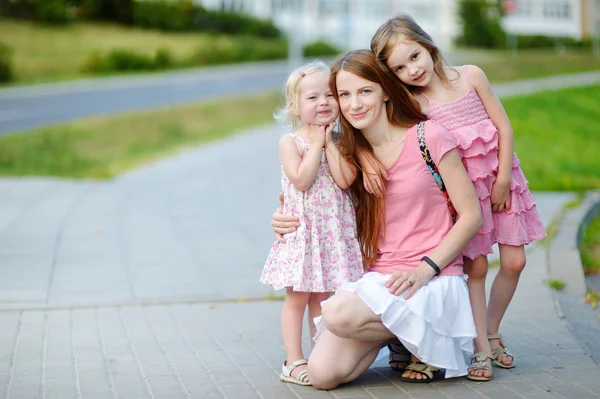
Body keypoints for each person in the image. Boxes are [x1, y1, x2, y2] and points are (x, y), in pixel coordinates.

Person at [271, 49, 482, 387]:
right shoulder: (346, 152)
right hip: (376, 282)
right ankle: (400, 337)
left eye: (365, 91)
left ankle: (420, 335)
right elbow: (316, 198)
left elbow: (472, 216)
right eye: (345, 94)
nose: (355, 104)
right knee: (323, 376)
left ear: (385, 89)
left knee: (337, 312)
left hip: (429, 276)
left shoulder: (429, 137)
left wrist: (425, 268)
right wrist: (282, 217)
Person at [362, 14, 547, 381]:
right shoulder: (415, 106)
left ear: (427, 45)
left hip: (501, 181)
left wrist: (504, 178)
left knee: (514, 262)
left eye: (414, 57)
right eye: (399, 67)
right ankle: (481, 347)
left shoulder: (471, 75)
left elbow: (503, 126)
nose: (411, 70)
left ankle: (492, 329)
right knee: (476, 269)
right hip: (463, 196)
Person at [260, 60, 364, 387]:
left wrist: (330, 143)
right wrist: (317, 144)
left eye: (329, 96)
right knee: (297, 299)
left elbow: (346, 180)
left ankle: (321, 354)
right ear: (295, 106)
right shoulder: (290, 142)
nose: (322, 103)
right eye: (312, 98)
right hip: (303, 234)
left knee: (323, 298)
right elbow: (302, 180)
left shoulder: (341, 140)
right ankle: (293, 360)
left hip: (331, 234)